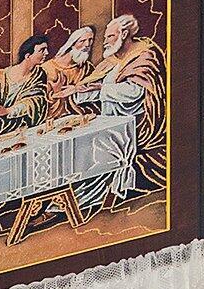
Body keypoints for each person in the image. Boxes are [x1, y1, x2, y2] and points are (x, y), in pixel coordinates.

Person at [71, 13, 168, 199]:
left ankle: (81, 198)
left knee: (96, 152)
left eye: (110, 36)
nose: (105, 42)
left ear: (124, 34)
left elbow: (135, 92)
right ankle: (72, 198)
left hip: (134, 123)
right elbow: (99, 88)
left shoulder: (144, 55)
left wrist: (101, 88)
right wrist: (77, 92)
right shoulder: (113, 60)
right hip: (111, 121)